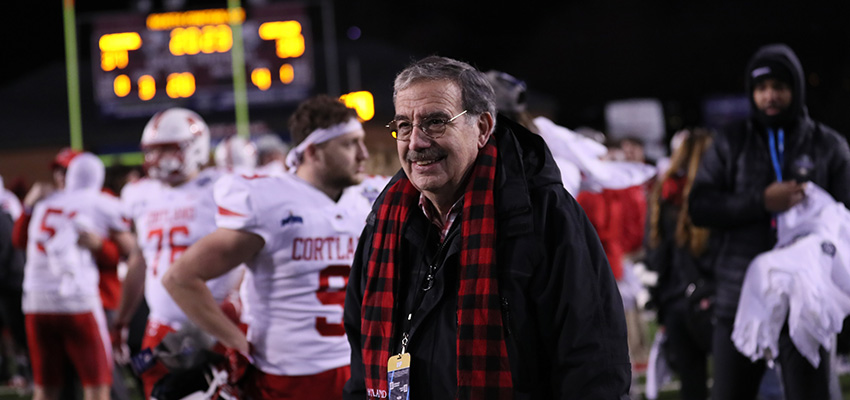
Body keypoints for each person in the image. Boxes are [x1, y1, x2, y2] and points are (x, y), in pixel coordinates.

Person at [343, 56, 631, 399]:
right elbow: (362, 360)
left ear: (482, 128)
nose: (416, 142)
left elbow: (593, 362)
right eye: (404, 125)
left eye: (435, 122)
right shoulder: (385, 221)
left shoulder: (542, 214)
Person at [163, 94, 372, 399]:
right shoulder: (270, 202)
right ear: (313, 151)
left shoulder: (368, 198)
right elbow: (179, 278)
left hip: (356, 365)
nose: (363, 154)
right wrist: (236, 341)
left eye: (361, 141)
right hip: (287, 374)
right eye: (350, 143)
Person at [689, 43, 850, 400]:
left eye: (779, 86)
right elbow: (699, 207)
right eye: (762, 88)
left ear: (796, 89)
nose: (770, 96)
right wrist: (761, 201)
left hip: (806, 302)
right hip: (740, 297)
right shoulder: (730, 142)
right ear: (751, 93)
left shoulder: (829, 145)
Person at [115, 107, 243, 399]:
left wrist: (234, 301)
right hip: (160, 325)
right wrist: (121, 320)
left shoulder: (222, 187)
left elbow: (247, 250)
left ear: (195, 148)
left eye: (167, 150)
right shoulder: (141, 194)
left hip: (216, 322)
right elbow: (139, 260)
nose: (157, 159)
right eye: (152, 151)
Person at [17, 153, 141, 400]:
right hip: (78, 301)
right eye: (57, 171)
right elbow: (134, 251)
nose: (59, 177)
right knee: (97, 385)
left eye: (64, 171)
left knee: (47, 388)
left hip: (35, 302)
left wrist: (100, 246)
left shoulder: (46, 203)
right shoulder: (99, 202)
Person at [645, 128, 716, 400]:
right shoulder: (712, 194)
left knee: (691, 383)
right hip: (710, 299)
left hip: (674, 301)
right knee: (736, 382)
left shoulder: (664, 191)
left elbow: (656, 256)